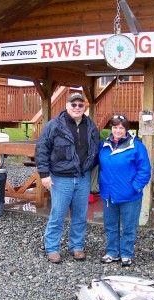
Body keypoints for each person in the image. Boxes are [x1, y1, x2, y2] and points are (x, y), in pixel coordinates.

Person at [35, 92, 100, 263]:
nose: (77, 108)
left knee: (80, 215)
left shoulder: (91, 126)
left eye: (80, 105)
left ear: (84, 107)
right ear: (67, 106)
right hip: (60, 178)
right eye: (73, 104)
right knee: (58, 214)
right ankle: (52, 248)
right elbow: (42, 150)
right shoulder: (53, 126)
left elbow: (95, 150)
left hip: (83, 177)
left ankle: (77, 247)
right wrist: (44, 175)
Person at [98, 115, 151, 267]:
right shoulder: (103, 145)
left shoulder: (137, 146)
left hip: (130, 194)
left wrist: (135, 186)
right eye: (115, 127)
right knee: (110, 225)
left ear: (127, 129)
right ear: (111, 128)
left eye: (121, 127)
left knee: (129, 226)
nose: (118, 130)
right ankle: (112, 252)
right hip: (108, 193)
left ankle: (126, 254)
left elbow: (145, 169)